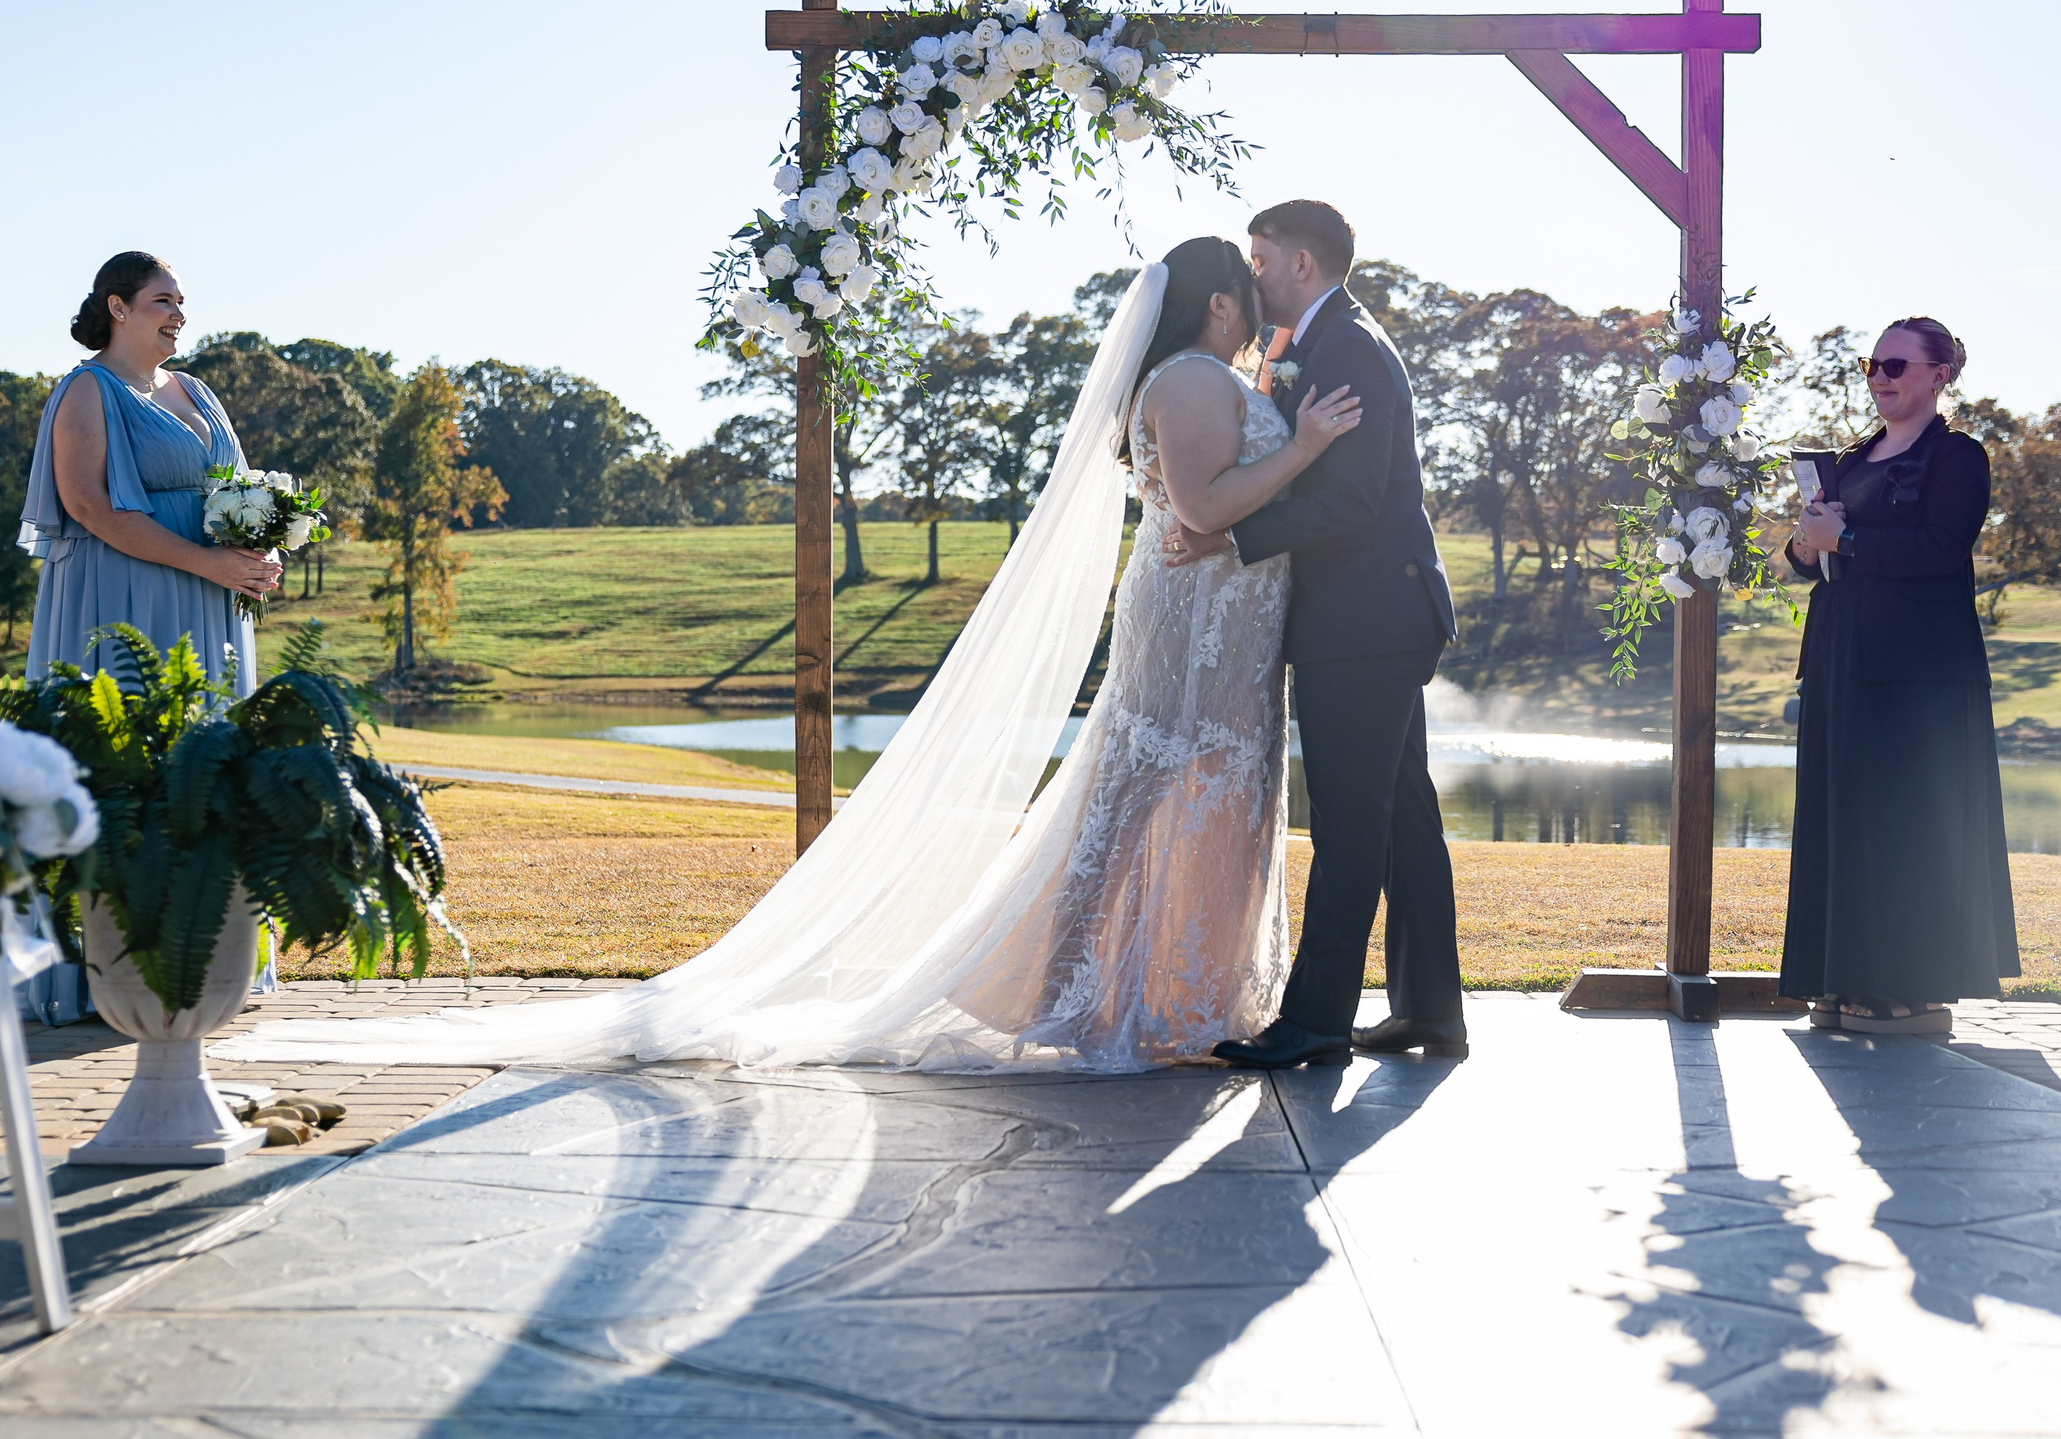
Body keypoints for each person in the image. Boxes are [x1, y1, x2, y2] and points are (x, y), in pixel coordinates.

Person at [220, 240, 1360, 1072]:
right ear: (1218, 303)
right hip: (1199, 622)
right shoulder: (1199, 378)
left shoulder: (1204, 379)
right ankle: (1100, 996)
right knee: (1152, 792)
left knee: (1163, 795)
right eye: (1247, 292)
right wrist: (1305, 446)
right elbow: (1204, 513)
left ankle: (1139, 993)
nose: (1257, 307)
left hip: (1217, 633)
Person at [1175, 200, 1466, 1070]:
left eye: (1260, 258)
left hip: (1367, 625)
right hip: (1372, 620)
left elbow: (1354, 501)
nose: (1249, 272)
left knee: (1349, 826)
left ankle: (1317, 1021)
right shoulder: (1318, 343)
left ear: (1302, 264)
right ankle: (1431, 1013)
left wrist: (1231, 537)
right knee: (1404, 820)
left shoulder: (1348, 349)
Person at [1778, 318, 2019, 1035]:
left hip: (1919, 672)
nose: (1881, 377)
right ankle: (1841, 975)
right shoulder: (1852, 459)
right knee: (1843, 818)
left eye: (1896, 364)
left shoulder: (1958, 458)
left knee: (1904, 824)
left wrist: (1845, 537)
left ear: (1940, 373)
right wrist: (1803, 539)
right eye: (1871, 365)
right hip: (1841, 658)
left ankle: (1909, 993)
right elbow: (1808, 558)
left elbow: (1943, 550)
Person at [18, 252, 279, 696]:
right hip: (127, 586)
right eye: (163, 301)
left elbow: (244, 487)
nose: (179, 314)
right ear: (118, 308)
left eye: (181, 302)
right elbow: (87, 506)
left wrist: (262, 551)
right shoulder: (87, 389)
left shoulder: (196, 390)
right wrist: (207, 564)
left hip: (213, 591)